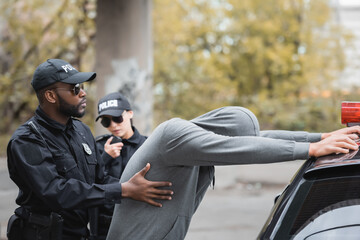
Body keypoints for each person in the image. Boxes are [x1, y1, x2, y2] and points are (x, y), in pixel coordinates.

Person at [106, 106, 360, 240]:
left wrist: (320, 137)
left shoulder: (198, 142)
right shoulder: (174, 135)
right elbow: (239, 147)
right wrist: (310, 149)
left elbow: (260, 139)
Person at [6, 59, 173, 240]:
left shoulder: (82, 131)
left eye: (82, 86)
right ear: (50, 96)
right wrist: (123, 190)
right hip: (42, 234)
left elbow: (99, 179)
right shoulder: (27, 139)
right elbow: (55, 192)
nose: (83, 93)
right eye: (75, 88)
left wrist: (140, 186)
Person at [95, 92, 147, 239]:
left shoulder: (148, 146)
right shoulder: (98, 147)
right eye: (106, 121)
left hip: (139, 224)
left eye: (117, 118)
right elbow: (87, 182)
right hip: (104, 228)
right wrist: (105, 158)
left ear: (130, 113)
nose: (113, 125)